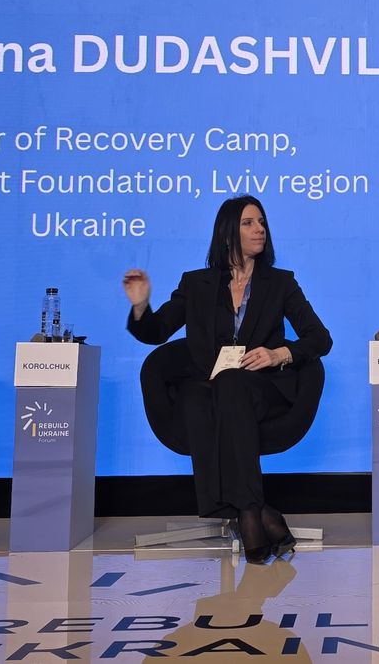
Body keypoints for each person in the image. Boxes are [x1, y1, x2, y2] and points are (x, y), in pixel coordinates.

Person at [122, 195, 332, 564]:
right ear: (227, 233)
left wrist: (278, 354)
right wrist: (140, 304)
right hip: (215, 389)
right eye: (249, 223)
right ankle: (255, 510)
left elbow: (320, 339)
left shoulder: (280, 283)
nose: (260, 229)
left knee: (231, 383)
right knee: (198, 398)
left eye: (261, 222)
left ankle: (246, 513)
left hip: (262, 387)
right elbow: (157, 331)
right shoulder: (196, 284)